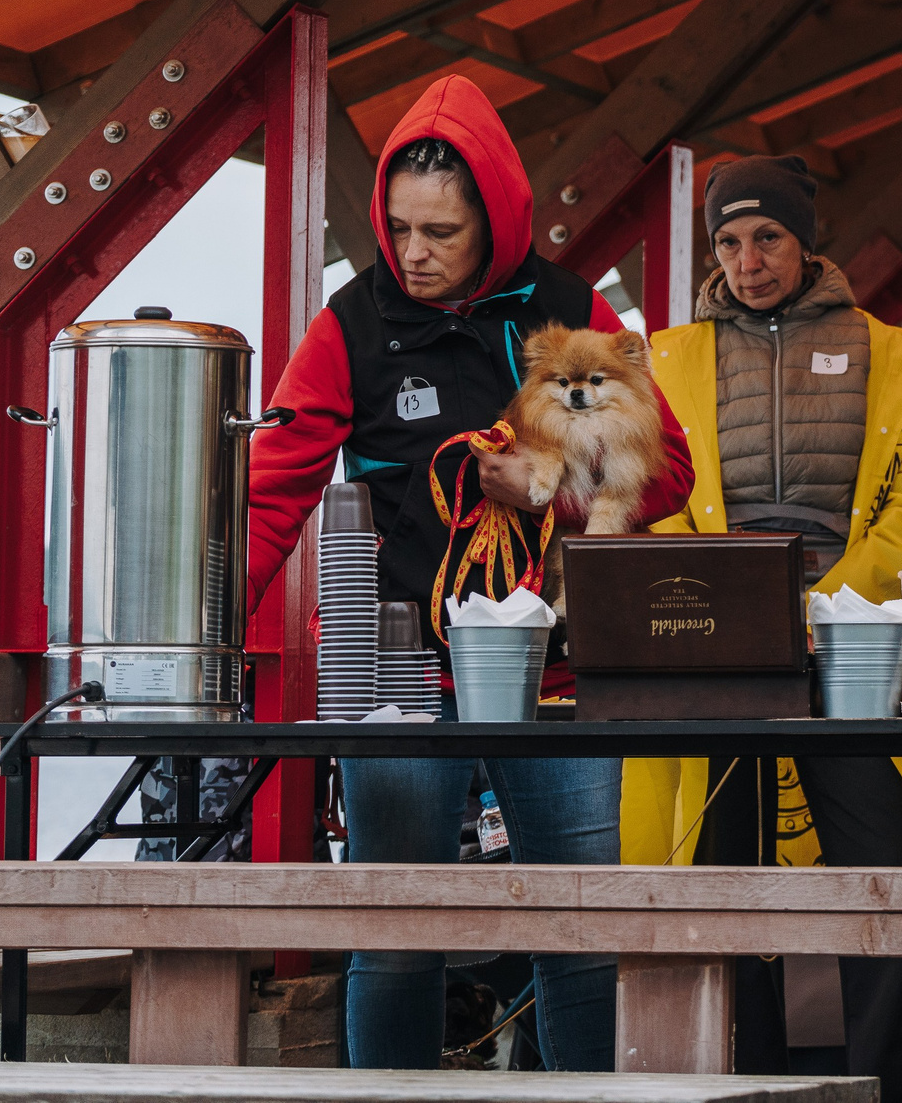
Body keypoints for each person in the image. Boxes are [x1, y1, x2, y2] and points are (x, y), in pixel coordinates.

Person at [247, 74, 696, 1070]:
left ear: (493, 218)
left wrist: (544, 490)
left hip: (556, 674)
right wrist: (210, 648)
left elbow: (666, 470)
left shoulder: (571, 308)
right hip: (396, 675)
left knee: (578, 933)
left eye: (441, 233)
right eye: (399, 228)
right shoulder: (347, 323)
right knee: (396, 938)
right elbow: (269, 493)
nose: (414, 254)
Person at [636, 153, 902, 1103]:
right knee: (718, 887)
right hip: (717, 657)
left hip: (852, 654)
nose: (748, 261)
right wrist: (731, 608)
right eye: (729, 242)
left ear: (805, 240)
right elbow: (649, 503)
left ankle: (898, 1084)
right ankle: (738, 1085)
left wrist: (823, 609)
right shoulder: (667, 358)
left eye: (768, 237)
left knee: (888, 876)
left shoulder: (887, 351)